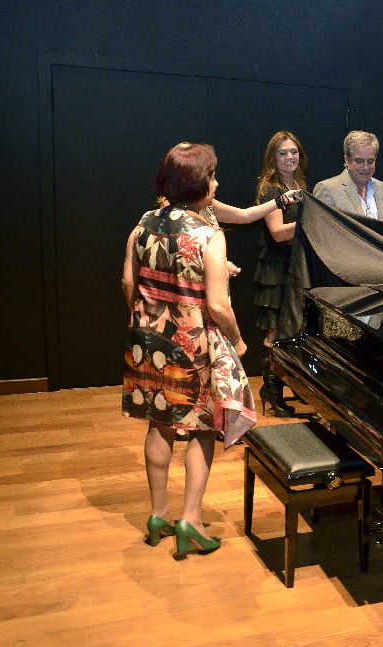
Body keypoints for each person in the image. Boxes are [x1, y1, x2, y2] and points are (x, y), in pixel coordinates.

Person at [122, 142, 256, 558]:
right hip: (191, 345)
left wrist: (144, 319)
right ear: (198, 184)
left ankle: (158, 513)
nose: (216, 183)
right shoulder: (208, 235)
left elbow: (128, 282)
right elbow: (218, 305)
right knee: (201, 428)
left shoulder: (143, 224)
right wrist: (237, 340)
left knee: (158, 424)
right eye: (212, 177)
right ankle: (191, 520)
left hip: (148, 341)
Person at [246, 131, 308, 417]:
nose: (290, 157)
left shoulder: (299, 185)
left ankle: (289, 382)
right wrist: (309, 223)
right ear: (273, 158)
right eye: (283, 153)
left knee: (294, 330)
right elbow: (278, 233)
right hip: (276, 269)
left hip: (296, 267)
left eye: (293, 152)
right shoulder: (271, 189)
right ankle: (271, 389)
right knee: (275, 331)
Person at [313, 130, 383, 220]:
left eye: (370, 161)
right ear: (346, 159)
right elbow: (321, 226)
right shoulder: (327, 190)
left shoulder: (381, 187)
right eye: (359, 161)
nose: (366, 167)